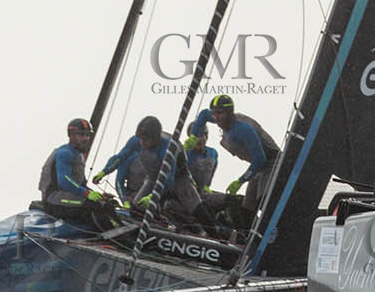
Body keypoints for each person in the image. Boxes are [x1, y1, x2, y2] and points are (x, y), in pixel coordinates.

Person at [187, 94, 279, 226]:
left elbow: (260, 160)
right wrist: (194, 136)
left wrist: (240, 181)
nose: (216, 118)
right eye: (214, 114)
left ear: (229, 113)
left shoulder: (243, 129)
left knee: (263, 200)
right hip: (257, 165)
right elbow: (202, 115)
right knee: (248, 205)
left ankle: (271, 228)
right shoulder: (218, 117)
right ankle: (246, 232)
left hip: (271, 162)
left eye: (219, 113)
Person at [93, 115, 204, 220]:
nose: (142, 143)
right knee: (136, 208)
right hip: (152, 179)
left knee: (196, 208)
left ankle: (206, 226)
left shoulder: (167, 147)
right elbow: (120, 157)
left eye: (146, 140)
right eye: (140, 139)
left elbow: (169, 179)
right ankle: (156, 219)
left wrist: (152, 197)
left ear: (155, 139)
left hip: (179, 178)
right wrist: (104, 172)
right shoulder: (136, 141)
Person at [38, 117, 113, 228]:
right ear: (71, 136)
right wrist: (87, 194)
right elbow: (65, 181)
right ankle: (112, 234)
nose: (86, 138)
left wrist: (99, 196)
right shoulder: (65, 153)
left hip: (67, 196)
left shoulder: (79, 155)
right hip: (53, 199)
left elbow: (81, 184)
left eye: (87, 135)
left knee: (106, 204)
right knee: (93, 205)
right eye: (81, 135)